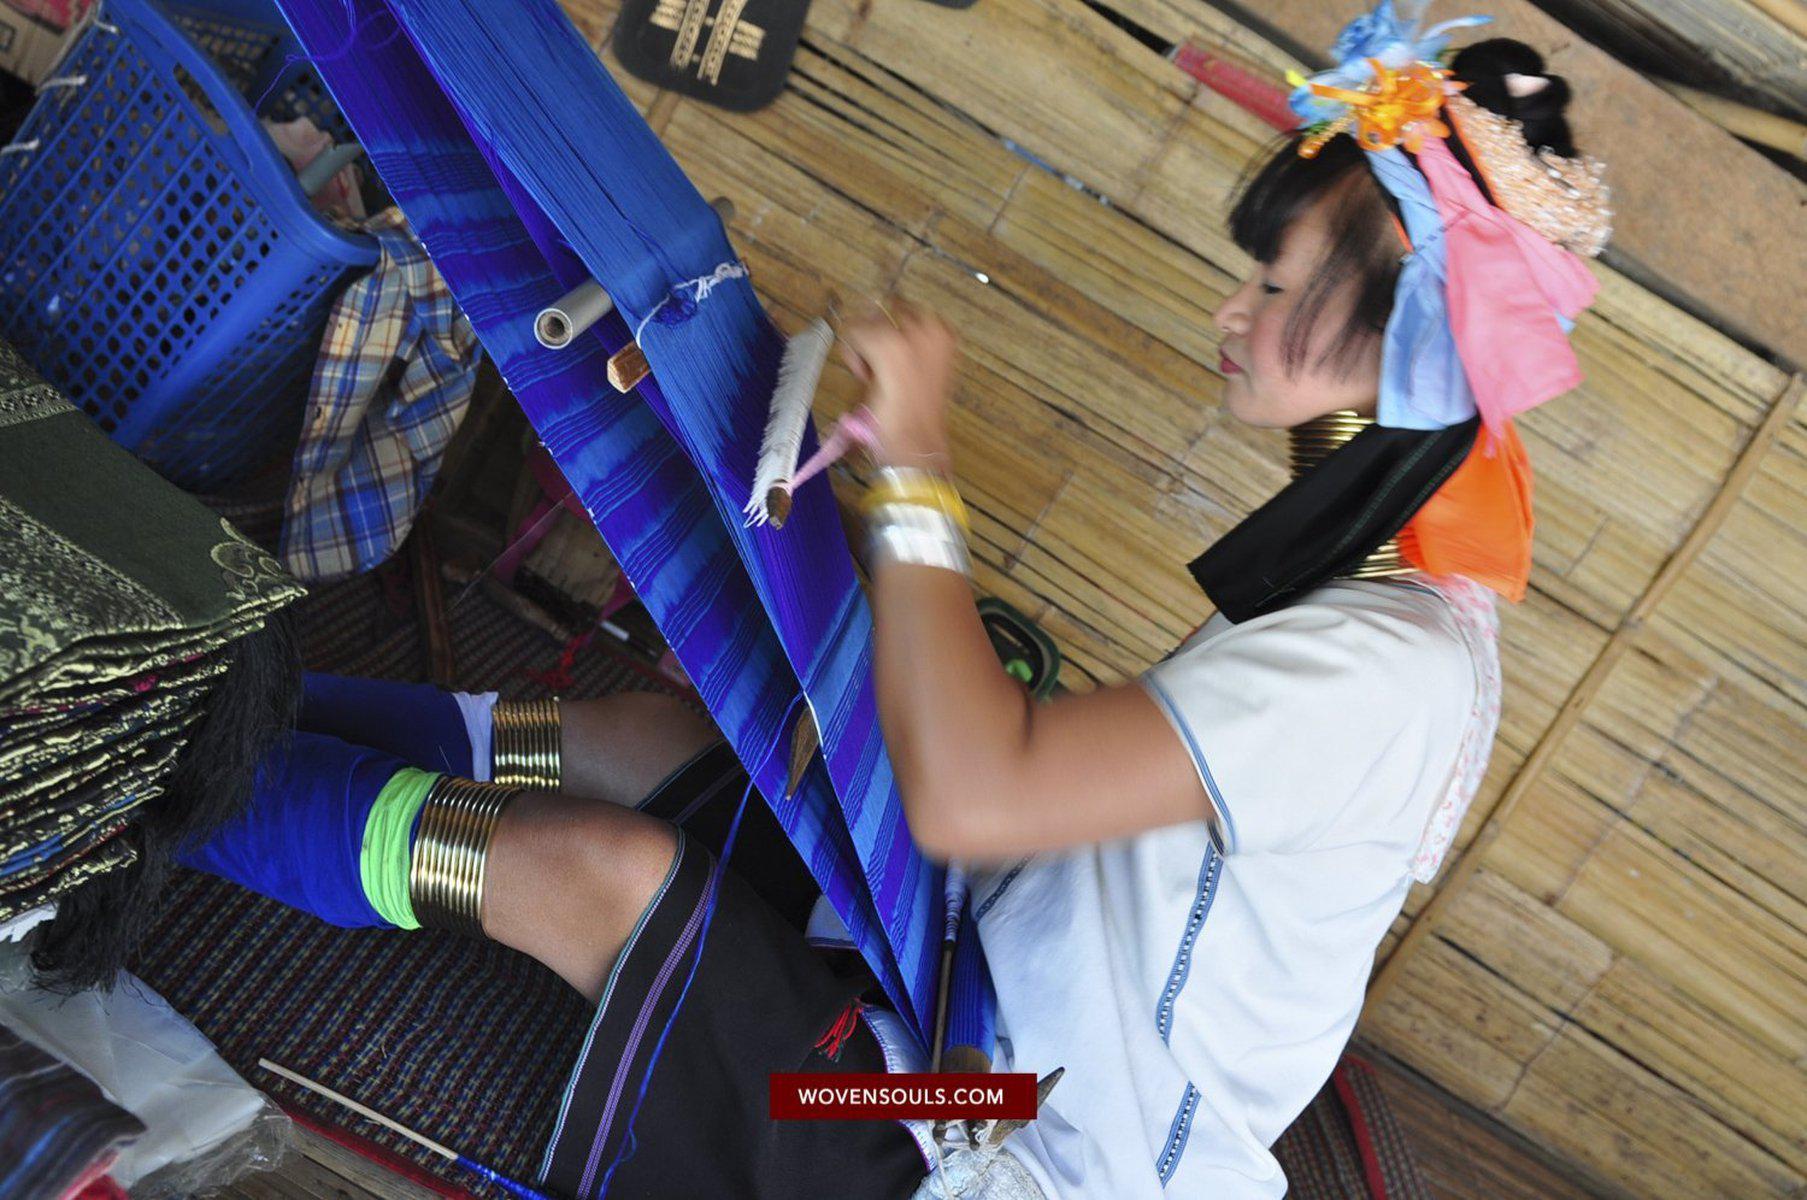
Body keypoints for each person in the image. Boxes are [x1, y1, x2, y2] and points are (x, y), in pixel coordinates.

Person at [175, 8, 1610, 1197]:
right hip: (976, 1008)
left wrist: (921, 469)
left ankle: (157, 796)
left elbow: (977, 794)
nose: (1234, 314)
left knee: (603, 875)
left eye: (1275, 281)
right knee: (661, 743)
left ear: (1400, 333)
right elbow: (1054, 799)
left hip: (998, 1140)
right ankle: (235, 720)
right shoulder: (1381, 602)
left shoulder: (1380, 668)